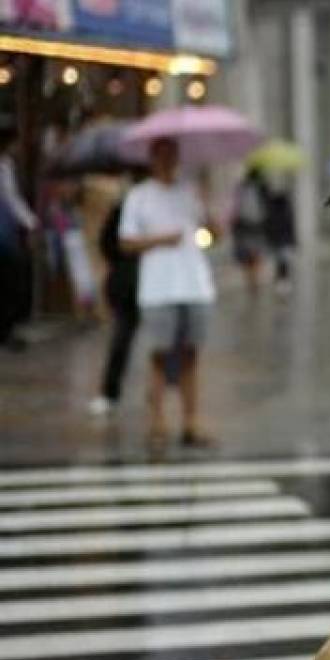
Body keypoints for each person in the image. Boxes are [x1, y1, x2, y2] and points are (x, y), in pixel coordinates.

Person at [118, 138, 219, 451]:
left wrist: (210, 207)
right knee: (159, 355)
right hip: (159, 287)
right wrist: (161, 239)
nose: (167, 161)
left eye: (172, 155)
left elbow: (214, 235)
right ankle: (157, 421)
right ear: (151, 159)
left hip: (194, 283)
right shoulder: (139, 196)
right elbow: (126, 242)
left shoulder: (189, 191)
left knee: (191, 353)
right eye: (160, 155)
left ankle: (191, 421)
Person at [88, 175, 143, 417]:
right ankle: (110, 392)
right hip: (130, 279)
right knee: (124, 335)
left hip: (146, 279)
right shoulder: (126, 206)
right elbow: (109, 243)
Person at [0, 129, 37, 350]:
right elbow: (11, 197)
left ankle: (6, 329)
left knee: (10, 279)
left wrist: (30, 222)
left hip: (4, 230)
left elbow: (11, 198)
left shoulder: (5, 165)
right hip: (4, 232)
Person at [231, 166, 269, 295]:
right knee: (253, 255)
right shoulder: (262, 188)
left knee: (249, 256)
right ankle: (254, 279)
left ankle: (252, 280)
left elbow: (234, 209)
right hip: (254, 227)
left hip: (246, 227)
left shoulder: (241, 188)